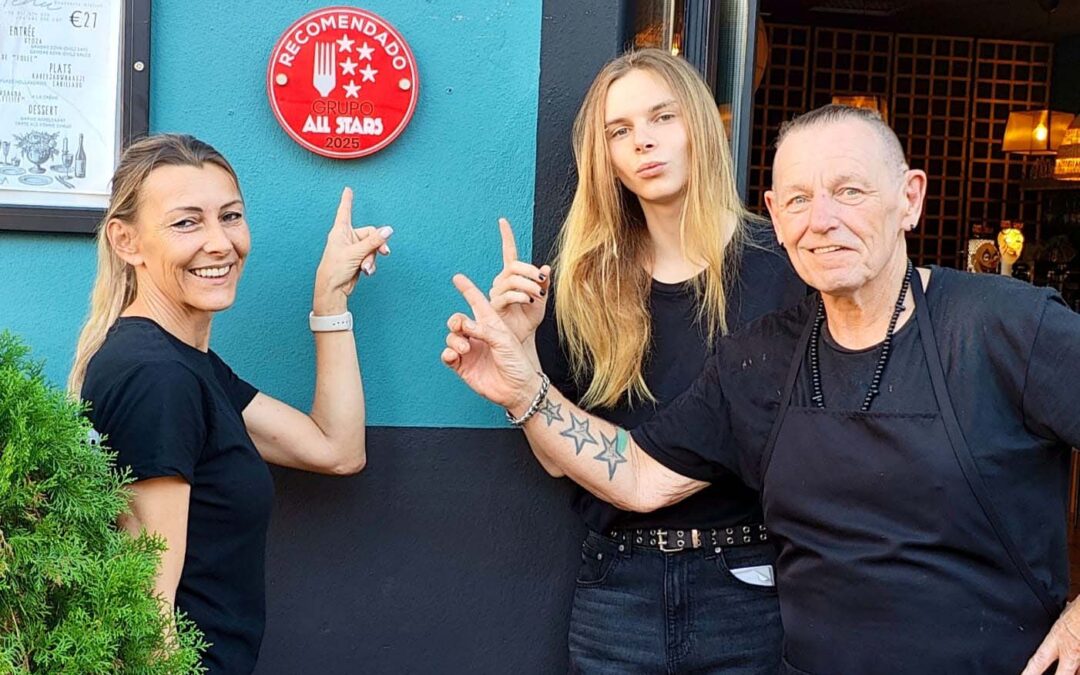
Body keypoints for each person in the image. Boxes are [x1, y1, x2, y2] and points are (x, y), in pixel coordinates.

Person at [442, 105, 1080, 674]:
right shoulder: (761, 357)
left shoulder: (1009, 327)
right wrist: (524, 389)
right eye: (798, 200)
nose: (821, 220)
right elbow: (637, 476)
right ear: (774, 216)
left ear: (908, 199)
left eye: (849, 191)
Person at [487, 49, 802, 672]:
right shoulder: (584, 284)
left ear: (701, 125)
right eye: (620, 131)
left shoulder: (782, 269)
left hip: (749, 579)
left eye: (662, 117)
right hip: (617, 583)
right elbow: (557, 464)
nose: (643, 144)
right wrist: (520, 353)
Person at [70, 134, 391, 674]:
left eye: (231, 216)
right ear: (127, 241)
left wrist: (329, 298)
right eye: (186, 222)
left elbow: (336, 448)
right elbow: (146, 616)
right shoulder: (157, 378)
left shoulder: (187, 367)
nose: (219, 242)